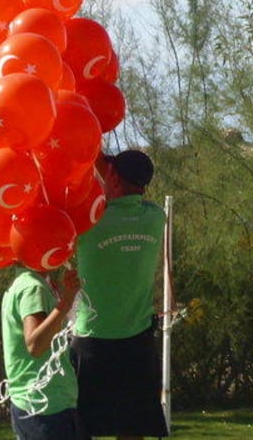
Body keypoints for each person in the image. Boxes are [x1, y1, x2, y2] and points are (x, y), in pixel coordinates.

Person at [72, 150, 170, 439]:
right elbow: (114, 174)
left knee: (82, 427)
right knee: (134, 428)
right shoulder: (155, 217)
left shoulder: (88, 221)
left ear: (112, 175)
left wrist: (88, 143)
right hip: (137, 343)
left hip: (92, 341)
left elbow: (97, 162)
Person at [1, 265, 85, 439]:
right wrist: (66, 302)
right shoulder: (32, 287)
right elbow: (35, 344)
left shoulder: (22, 283)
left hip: (35, 403)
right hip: (47, 407)